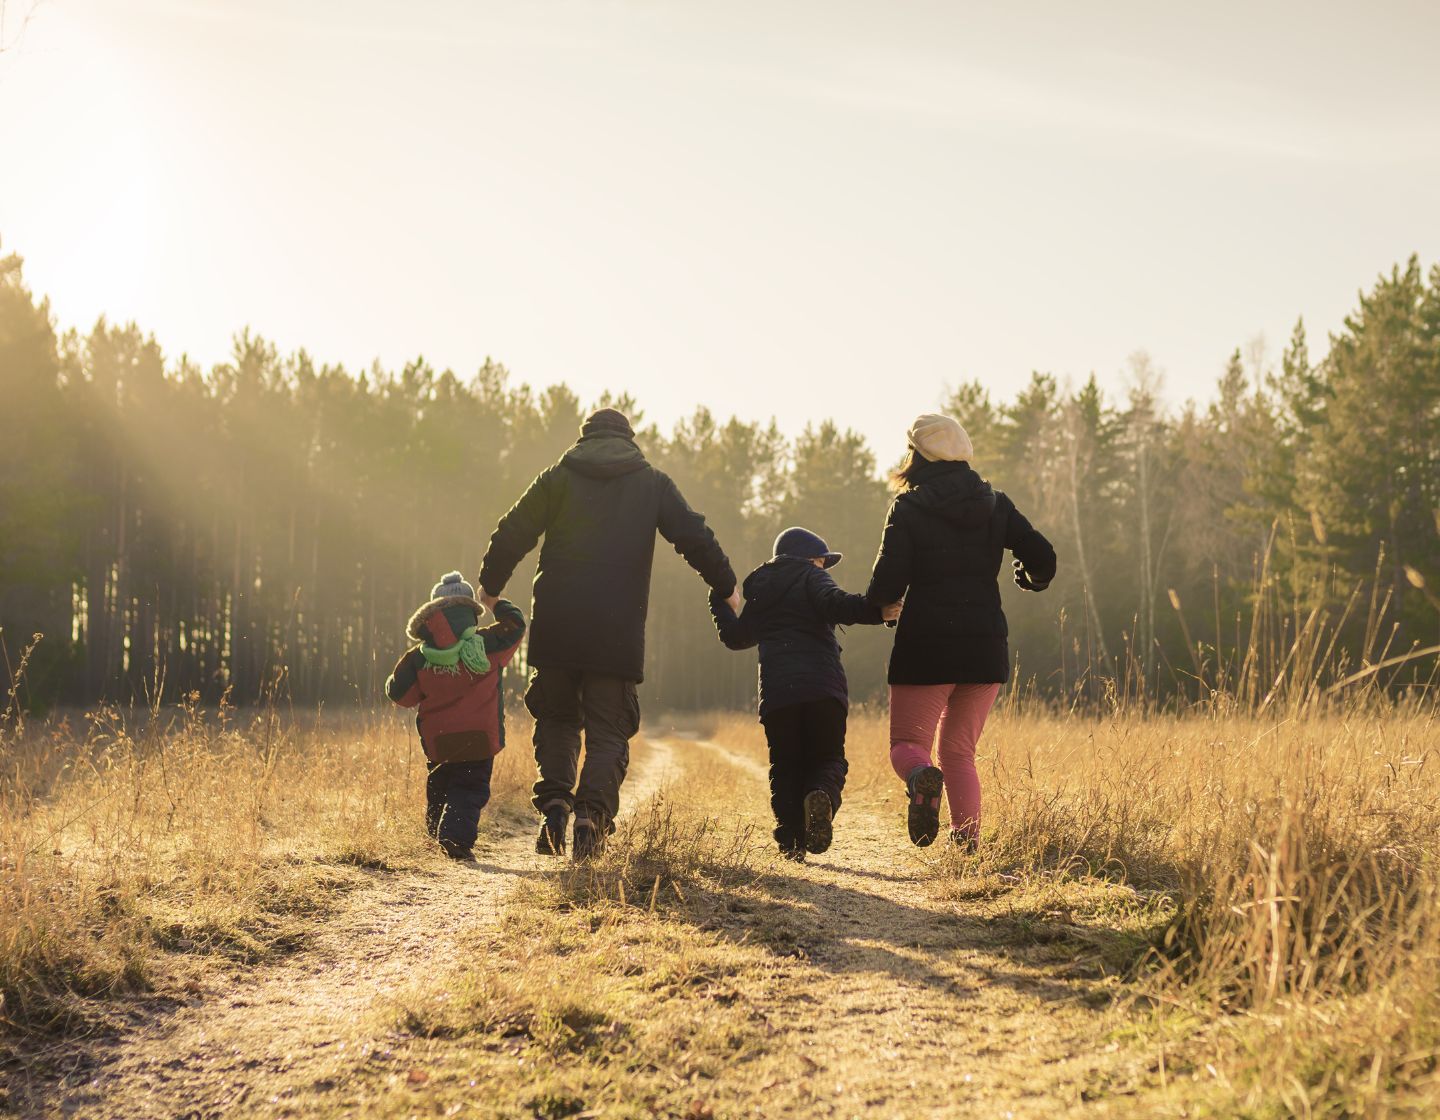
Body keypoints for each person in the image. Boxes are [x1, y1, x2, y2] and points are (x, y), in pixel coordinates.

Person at [477, 408, 737, 860]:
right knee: (608, 730)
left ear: (585, 437)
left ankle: (555, 806)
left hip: (557, 625)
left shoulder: (557, 478)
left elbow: (512, 530)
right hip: (616, 631)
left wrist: (490, 586)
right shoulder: (652, 483)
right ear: (629, 439)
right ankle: (590, 818)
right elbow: (694, 536)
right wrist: (727, 585)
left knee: (557, 719)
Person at [866, 414, 1056, 850]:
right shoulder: (996, 503)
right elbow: (1043, 557)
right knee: (959, 752)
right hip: (985, 650)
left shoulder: (908, 508)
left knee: (908, 744)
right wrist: (1030, 577)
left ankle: (921, 777)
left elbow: (885, 587)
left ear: (917, 456)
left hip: (926, 648)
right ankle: (967, 846)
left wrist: (881, 607)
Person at [710, 527, 900, 861]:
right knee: (829, 758)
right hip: (823, 687)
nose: (823, 567)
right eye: (822, 561)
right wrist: (877, 612)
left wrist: (720, 602)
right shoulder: (811, 576)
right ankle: (821, 793)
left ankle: (791, 843)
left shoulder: (761, 588)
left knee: (785, 767)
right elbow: (837, 604)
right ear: (810, 559)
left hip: (778, 694)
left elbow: (737, 637)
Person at [385, 571, 527, 860]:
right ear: (471, 612)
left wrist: (396, 680)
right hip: (480, 738)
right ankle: (454, 839)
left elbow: (401, 696)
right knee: (469, 788)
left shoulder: (419, 656)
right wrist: (494, 601)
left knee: (440, 785)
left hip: (438, 741)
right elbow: (516, 625)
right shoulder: (488, 643)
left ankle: (435, 836)